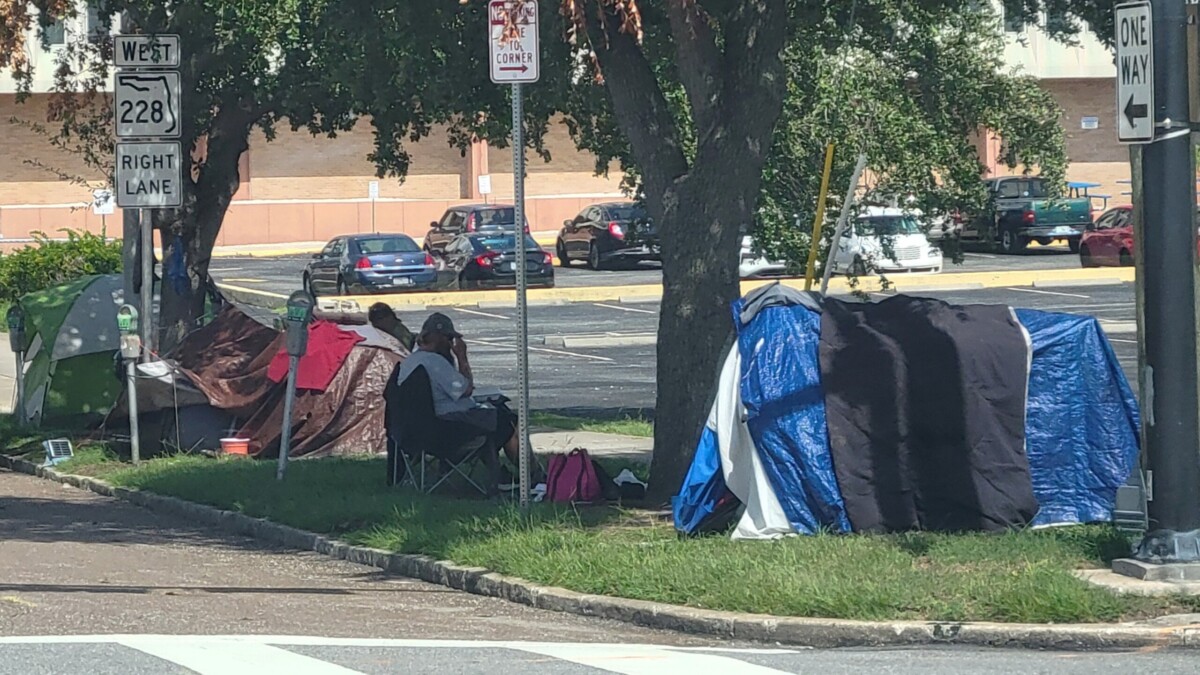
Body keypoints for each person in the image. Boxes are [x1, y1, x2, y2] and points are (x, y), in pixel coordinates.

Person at [396, 312, 519, 494]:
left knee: (491, 418)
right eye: (449, 339)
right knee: (504, 418)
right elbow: (466, 389)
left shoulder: (410, 361)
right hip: (446, 431)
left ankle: (502, 475)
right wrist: (462, 356)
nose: (451, 345)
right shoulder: (435, 362)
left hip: (414, 432)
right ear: (439, 338)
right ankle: (528, 474)